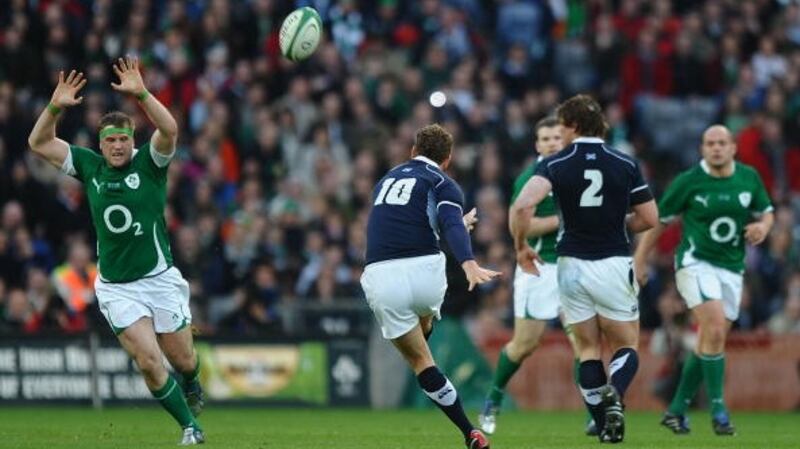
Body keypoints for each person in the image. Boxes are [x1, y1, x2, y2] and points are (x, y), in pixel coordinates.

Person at [27, 59, 205, 445]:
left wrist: (141, 93)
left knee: (183, 360)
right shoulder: (90, 168)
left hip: (159, 278)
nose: (118, 145)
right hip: (117, 287)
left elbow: (170, 129)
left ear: (132, 140)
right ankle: (190, 426)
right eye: (110, 139)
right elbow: (38, 142)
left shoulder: (151, 163)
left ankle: (192, 380)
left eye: (123, 138)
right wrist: (55, 107)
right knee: (149, 362)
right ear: (100, 143)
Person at [510, 95, 658, 443]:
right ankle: (616, 396)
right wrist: (615, 223)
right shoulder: (624, 162)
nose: (559, 131)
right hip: (612, 261)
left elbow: (522, 206)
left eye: (561, 124)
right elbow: (650, 218)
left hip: (571, 266)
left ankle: (605, 425)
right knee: (626, 345)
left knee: (588, 350)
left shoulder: (555, 163)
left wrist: (520, 247)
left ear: (573, 126)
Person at [361, 124, 500, 449]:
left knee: (422, 363)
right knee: (423, 321)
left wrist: (454, 227)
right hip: (426, 273)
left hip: (382, 275)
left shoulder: (385, 181)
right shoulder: (442, 182)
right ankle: (424, 322)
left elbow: (399, 223)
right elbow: (449, 223)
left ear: (413, 151)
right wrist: (468, 262)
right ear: (447, 159)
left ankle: (469, 433)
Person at [634, 125, 774, 436]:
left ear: (733, 148)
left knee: (711, 341)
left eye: (722, 143)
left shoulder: (748, 178)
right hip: (695, 264)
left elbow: (766, 212)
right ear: (702, 149)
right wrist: (640, 259)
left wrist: (763, 228)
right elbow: (659, 222)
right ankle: (719, 410)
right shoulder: (688, 182)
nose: (716, 148)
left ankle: (676, 410)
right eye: (710, 143)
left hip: (731, 268)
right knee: (711, 328)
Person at [479, 116, 596, 436]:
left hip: (573, 266)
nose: (552, 143)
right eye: (545, 139)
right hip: (539, 267)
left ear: (566, 140)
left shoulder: (580, 173)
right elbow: (520, 225)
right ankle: (493, 397)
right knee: (524, 344)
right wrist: (562, 219)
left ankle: (594, 412)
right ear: (537, 145)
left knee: (583, 342)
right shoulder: (531, 178)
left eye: (557, 138)